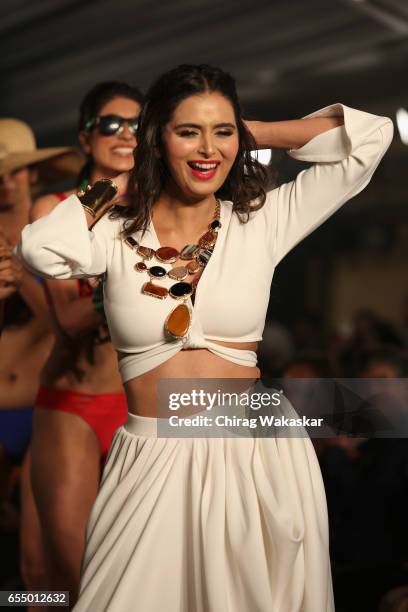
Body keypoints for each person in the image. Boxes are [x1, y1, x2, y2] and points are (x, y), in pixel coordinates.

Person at [16, 64, 393, 612]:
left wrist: (252, 130)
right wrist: (119, 183)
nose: (207, 148)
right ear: (157, 139)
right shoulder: (117, 235)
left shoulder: (262, 219)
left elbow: (371, 136)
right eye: (188, 130)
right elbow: (39, 247)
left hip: (252, 454)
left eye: (221, 131)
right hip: (150, 454)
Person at [24, 82, 144, 606]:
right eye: (110, 124)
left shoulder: (154, 207)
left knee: (128, 570)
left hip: (132, 404)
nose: (125, 135)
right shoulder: (54, 208)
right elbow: (70, 319)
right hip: (69, 402)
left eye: (137, 125)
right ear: (85, 136)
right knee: (67, 574)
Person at [0, 119, 82, 601]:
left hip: (44, 409)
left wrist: (21, 273)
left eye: (15, 171)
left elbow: (69, 326)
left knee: (41, 563)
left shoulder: (50, 235)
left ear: (34, 174)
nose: (5, 181)